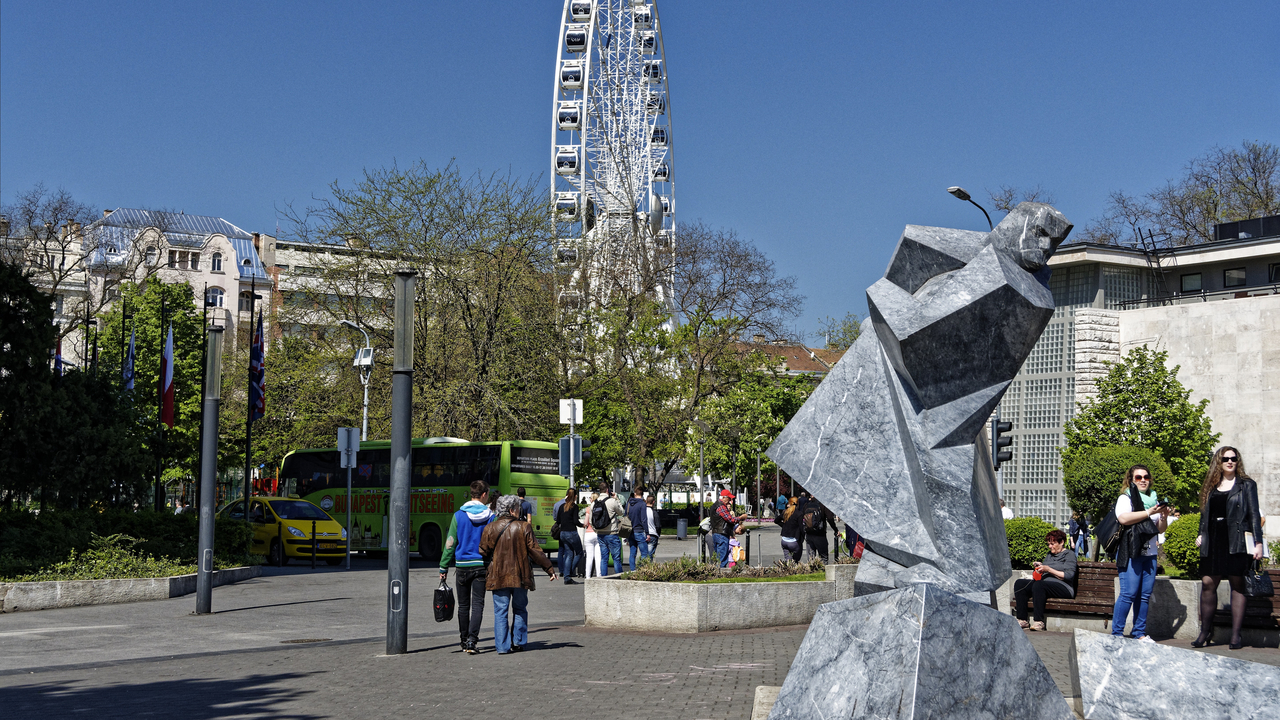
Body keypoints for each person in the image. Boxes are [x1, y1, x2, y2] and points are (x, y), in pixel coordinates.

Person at [1192, 447, 1264, 650]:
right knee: (1207, 583)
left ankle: (1235, 635)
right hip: (1213, 539)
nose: (1230, 462)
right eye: (1226, 459)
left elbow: (1254, 515)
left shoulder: (1247, 485)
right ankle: (1205, 632)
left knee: (1237, 584)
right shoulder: (1211, 486)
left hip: (1237, 539)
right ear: (1219, 461)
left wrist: (1257, 543)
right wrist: (1201, 533)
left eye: (1234, 458)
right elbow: (1204, 514)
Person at [479, 494, 556, 654]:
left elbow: (483, 550)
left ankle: (502, 647)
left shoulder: (490, 527)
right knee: (520, 608)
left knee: (500, 611)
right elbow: (535, 551)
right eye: (518, 508)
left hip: (498, 575)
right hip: (520, 575)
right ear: (512, 510)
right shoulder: (523, 527)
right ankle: (519, 641)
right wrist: (549, 568)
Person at [1110, 465, 1170, 642]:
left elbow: (1160, 529)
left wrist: (1164, 516)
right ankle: (1117, 634)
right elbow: (1123, 518)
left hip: (1150, 552)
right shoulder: (1126, 497)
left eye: (1145, 477)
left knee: (1144, 595)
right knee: (1128, 593)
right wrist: (1148, 512)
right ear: (1131, 480)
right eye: (1138, 477)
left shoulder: (1154, 498)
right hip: (1131, 552)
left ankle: (1139, 633)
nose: (1143, 480)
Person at [439, 480, 495, 654]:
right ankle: (472, 641)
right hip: (481, 565)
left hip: (462, 566)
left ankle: (463, 641)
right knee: (478, 605)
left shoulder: (458, 516)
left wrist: (443, 567)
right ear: (484, 494)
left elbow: (450, 543)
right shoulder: (491, 516)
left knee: (464, 606)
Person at [1012, 529, 1078, 631]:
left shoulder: (1069, 555)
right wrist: (1040, 568)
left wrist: (1048, 569)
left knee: (1039, 585)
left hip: (1063, 587)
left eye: (1052, 544)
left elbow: (1068, 575)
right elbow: (1044, 572)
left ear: (1061, 542)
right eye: (1049, 544)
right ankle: (1022, 619)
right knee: (1020, 583)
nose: (1050, 547)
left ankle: (1039, 621)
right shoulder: (1049, 555)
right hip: (1045, 585)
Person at [710, 489, 748, 567]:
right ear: (724, 497)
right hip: (722, 533)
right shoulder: (721, 506)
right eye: (729, 498)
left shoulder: (715, 505)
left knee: (718, 556)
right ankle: (721, 574)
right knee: (722, 558)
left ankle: (717, 572)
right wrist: (741, 518)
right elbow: (730, 519)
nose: (730, 500)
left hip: (716, 533)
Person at [595, 485, 625, 575]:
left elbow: (591, 520)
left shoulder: (594, 503)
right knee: (616, 558)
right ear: (608, 490)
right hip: (612, 533)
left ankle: (603, 578)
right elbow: (621, 512)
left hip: (600, 533)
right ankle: (619, 577)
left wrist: (596, 530)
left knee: (604, 558)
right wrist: (617, 499)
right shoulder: (612, 501)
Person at [555, 488, 584, 585]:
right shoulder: (574, 507)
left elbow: (558, 520)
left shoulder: (561, 506)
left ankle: (567, 577)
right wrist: (582, 525)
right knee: (579, 553)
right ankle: (570, 571)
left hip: (563, 533)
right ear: (575, 496)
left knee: (569, 554)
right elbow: (575, 521)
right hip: (571, 532)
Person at [801, 496, 838, 562]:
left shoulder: (807, 505)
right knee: (823, 557)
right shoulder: (823, 505)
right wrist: (835, 529)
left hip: (809, 533)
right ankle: (823, 570)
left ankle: (812, 570)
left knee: (811, 558)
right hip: (820, 533)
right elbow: (830, 518)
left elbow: (803, 518)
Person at [581, 491, 602, 578]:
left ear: (592, 499)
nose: (589, 499)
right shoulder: (601, 508)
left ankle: (588, 576)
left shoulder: (588, 509)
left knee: (589, 557)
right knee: (598, 556)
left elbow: (586, 522)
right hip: (598, 533)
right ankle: (599, 575)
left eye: (590, 498)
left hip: (589, 533)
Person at [776, 496, 803, 562]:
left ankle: (789, 568)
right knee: (796, 560)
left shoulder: (785, 512)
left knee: (788, 559)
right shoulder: (799, 514)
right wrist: (801, 539)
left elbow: (776, 520)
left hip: (784, 540)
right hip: (794, 540)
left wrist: (784, 525)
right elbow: (801, 528)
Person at [627, 488, 648, 571]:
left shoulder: (629, 503)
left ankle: (632, 570)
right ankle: (641, 570)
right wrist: (647, 532)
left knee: (632, 553)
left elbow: (626, 516)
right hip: (639, 530)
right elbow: (644, 519)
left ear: (635, 494)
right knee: (644, 553)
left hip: (630, 531)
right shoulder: (642, 504)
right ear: (642, 495)